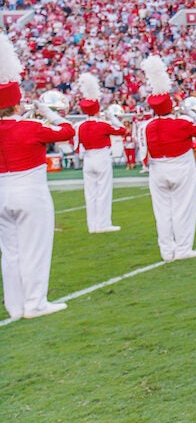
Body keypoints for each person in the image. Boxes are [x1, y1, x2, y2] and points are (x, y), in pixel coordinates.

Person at [0, 34, 75, 320]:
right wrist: (49, 114)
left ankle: (15, 306)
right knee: (35, 248)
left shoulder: (22, 124)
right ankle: (35, 303)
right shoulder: (30, 126)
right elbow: (67, 132)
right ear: (16, 104)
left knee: (11, 253)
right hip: (29, 189)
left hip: (2, 190)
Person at [142, 57, 196, 262]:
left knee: (162, 212)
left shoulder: (146, 126)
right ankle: (182, 249)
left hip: (157, 169)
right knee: (183, 208)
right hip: (180, 166)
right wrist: (187, 110)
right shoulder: (182, 122)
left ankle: (166, 251)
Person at [75, 72, 126, 233]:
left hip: (88, 158)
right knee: (103, 191)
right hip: (101, 157)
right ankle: (103, 223)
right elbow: (122, 130)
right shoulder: (103, 125)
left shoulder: (80, 126)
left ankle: (93, 225)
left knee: (90, 194)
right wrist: (111, 117)